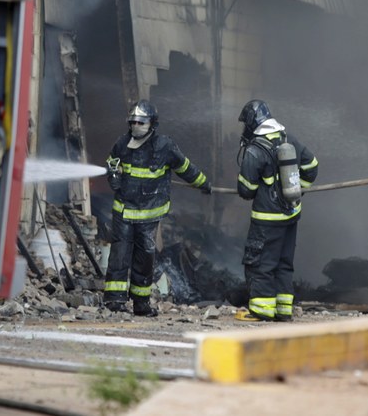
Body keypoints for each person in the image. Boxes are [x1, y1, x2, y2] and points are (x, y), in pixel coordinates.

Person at [103, 100, 211, 316]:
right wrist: (113, 175)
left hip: (148, 216)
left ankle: (140, 304)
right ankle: (114, 301)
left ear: (152, 124)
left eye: (140, 122)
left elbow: (185, 168)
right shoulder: (122, 143)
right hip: (123, 211)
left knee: (144, 261)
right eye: (132, 122)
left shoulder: (165, 146)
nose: (135, 126)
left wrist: (203, 183)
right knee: (119, 256)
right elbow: (112, 162)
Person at [235, 99, 319, 322]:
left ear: (253, 122)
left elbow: (245, 189)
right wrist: (298, 191)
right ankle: (283, 310)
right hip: (290, 215)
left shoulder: (256, 150)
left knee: (261, 263)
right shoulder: (289, 139)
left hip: (266, 220)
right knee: (283, 263)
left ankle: (261, 310)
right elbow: (312, 167)